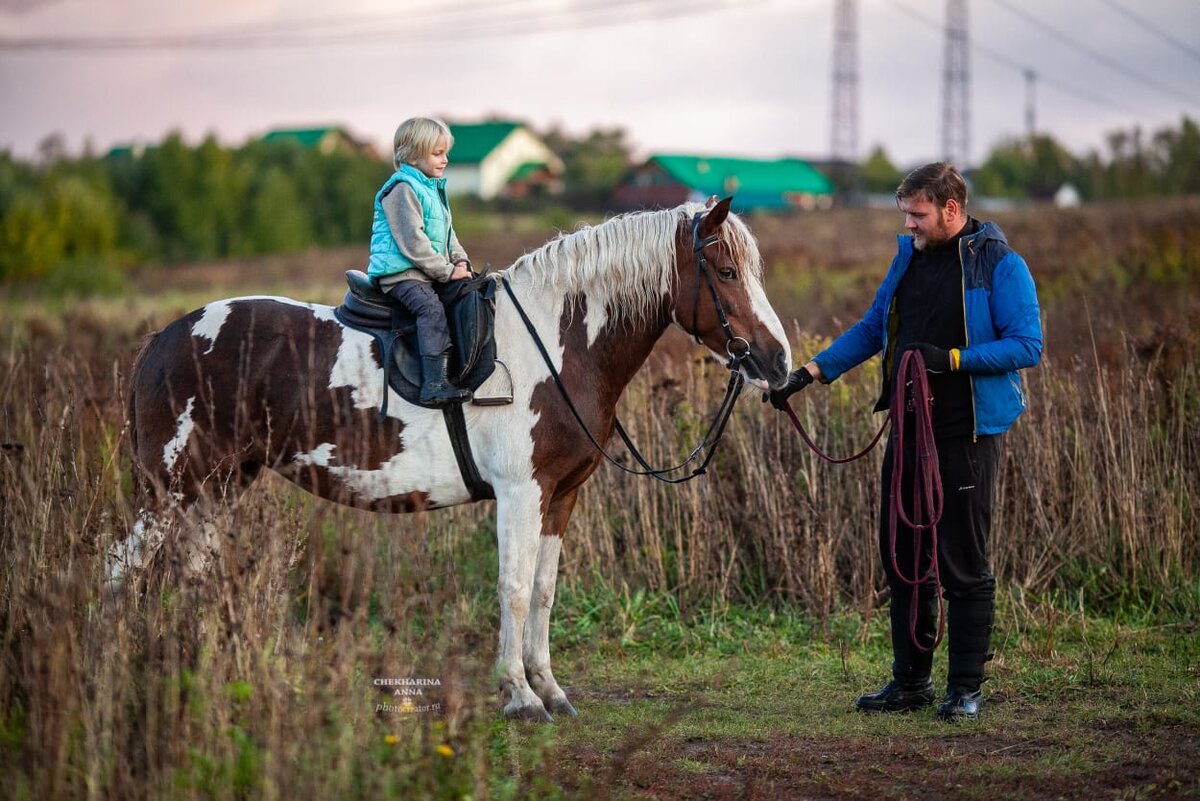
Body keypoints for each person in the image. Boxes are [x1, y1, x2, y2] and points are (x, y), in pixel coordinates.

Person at [768, 162, 1042, 721]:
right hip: (908, 427)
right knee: (904, 557)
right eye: (906, 215)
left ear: (950, 208)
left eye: (917, 215)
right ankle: (910, 684)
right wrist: (811, 373)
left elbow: (1027, 345)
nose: (910, 225)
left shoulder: (1001, 265)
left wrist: (954, 360)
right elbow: (874, 328)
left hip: (966, 431)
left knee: (962, 562)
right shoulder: (908, 258)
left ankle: (965, 689)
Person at [368, 116, 473, 406]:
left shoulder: (432, 188)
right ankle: (434, 384)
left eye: (445, 153)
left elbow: (449, 235)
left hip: (424, 271)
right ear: (413, 155)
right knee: (431, 310)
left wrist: (461, 262)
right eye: (437, 153)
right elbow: (414, 244)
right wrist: (446, 271)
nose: (445, 159)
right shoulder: (402, 189)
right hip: (401, 274)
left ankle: (462, 368)